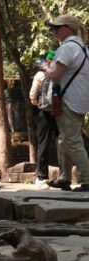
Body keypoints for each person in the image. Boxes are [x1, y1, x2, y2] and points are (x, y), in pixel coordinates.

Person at [39, 14, 89, 192]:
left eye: (57, 28)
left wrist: (44, 66)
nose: (55, 32)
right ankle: (64, 177)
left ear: (69, 28)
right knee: (63, 140)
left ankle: (86, 180)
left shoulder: (68, 48)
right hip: (79, 99)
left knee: (72, 141)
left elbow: (55, 74)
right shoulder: (82, 48)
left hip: (68, 100)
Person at [29, 50, 59, 187]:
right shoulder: (62, 72)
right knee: (63, 143)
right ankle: (65, 176)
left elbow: (33, 95)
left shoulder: (41, 74)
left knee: (43, 144)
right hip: (60, 112)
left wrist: (40, 104)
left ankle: (42, 177)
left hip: (45, 112)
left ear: (47, 60)